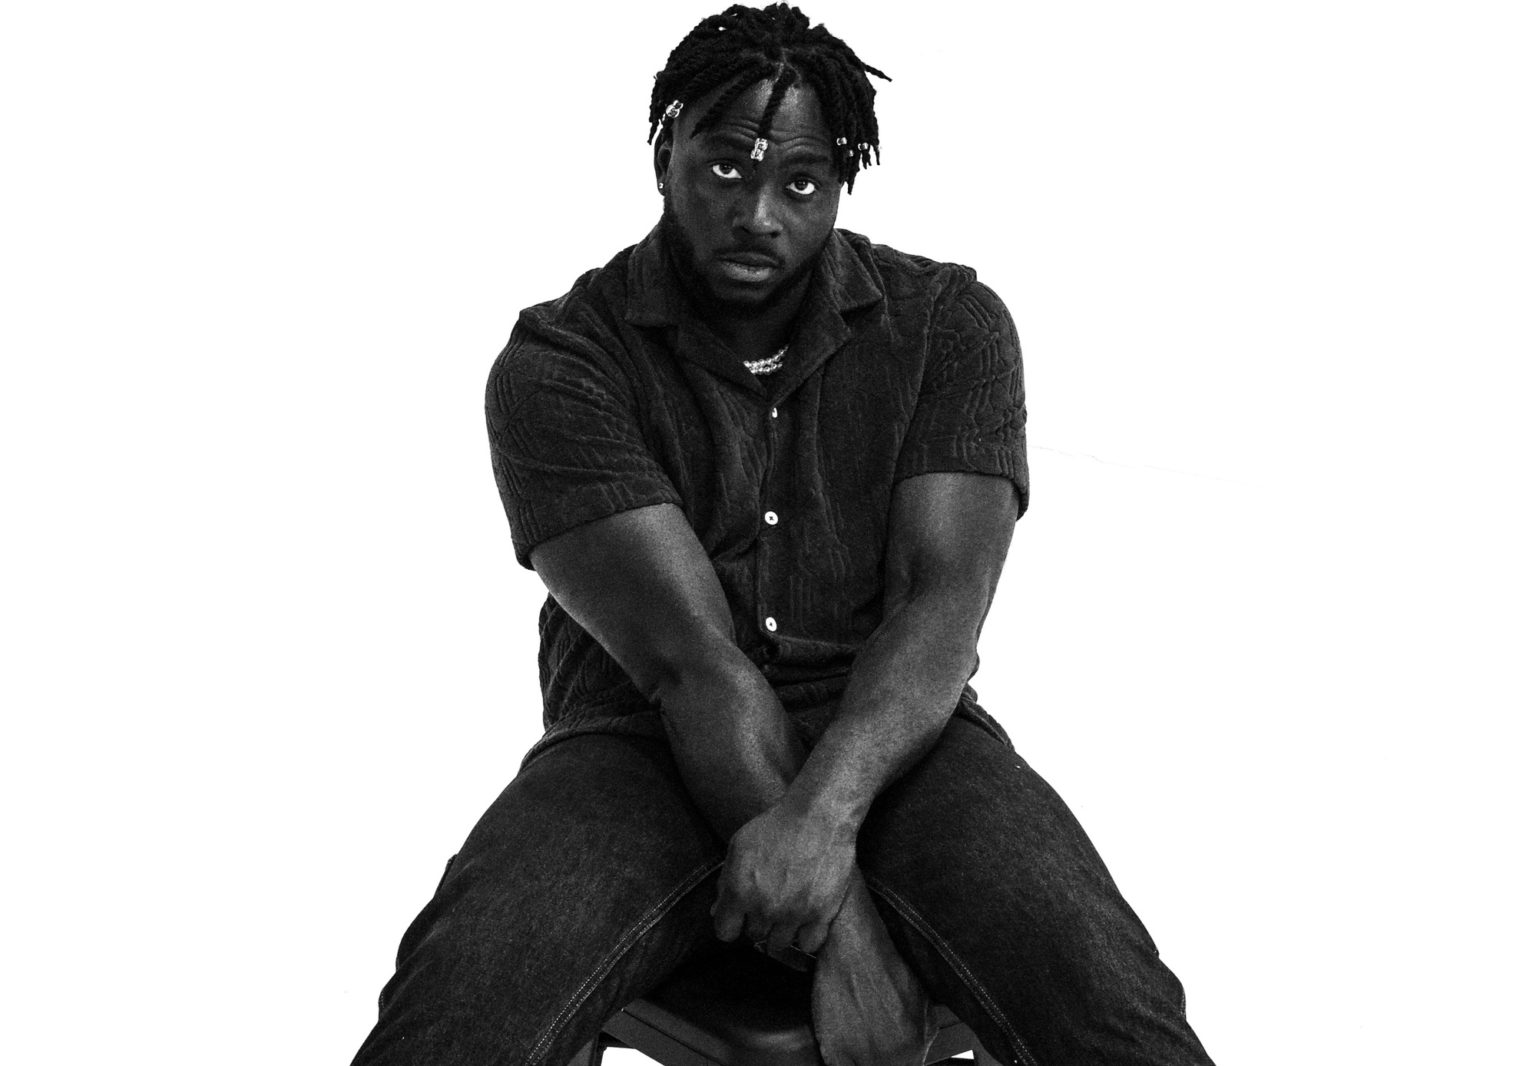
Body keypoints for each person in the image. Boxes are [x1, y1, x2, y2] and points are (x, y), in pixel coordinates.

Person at [351, 5, 1214, 1064]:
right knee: (455, 1010)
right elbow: (687, 662)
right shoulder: (563, 362)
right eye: (725, 169)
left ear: (842, 181)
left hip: (896, 733)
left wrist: (824, 818)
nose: (757, 213)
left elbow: (938, 609)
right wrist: (845, 930)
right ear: (665, 155)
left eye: (800, 183)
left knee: (1108, 995)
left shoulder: (947, 325)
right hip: (641, 744)